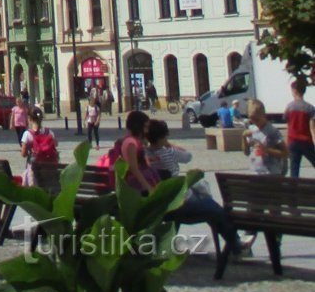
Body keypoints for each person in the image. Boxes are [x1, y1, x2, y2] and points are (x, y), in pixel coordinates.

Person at [118, 110, 249, 257]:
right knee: (215, 209)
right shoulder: (161, 151)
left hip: (162, 201)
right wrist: (167, 144)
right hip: (175, 201)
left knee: (210, 206)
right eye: (145, 125)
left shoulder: (145, 152)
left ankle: (235, 245)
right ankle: (236, 245)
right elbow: (187, 156)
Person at [243, 99, 286, 177]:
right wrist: (243, 138)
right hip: (255, 172)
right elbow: (246, 152)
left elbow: (285, 153)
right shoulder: (252, 129)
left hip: (272, 173)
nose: (255, 122)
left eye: (257, 119)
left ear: (263, 115)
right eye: (252, 119)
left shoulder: (272, 131)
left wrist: (266, 150)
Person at [284, 79, 315, 177]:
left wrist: (286, 141)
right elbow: (312, 128)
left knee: (294, 168)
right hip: (306, 141)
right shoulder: (310, 108)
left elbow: (287, 124)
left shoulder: (289, 107)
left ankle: (293, 189)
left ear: (294, 91)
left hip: (293, 141)